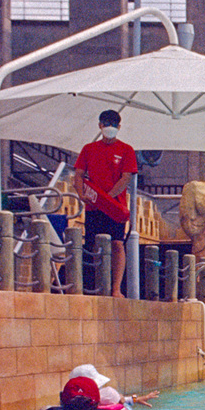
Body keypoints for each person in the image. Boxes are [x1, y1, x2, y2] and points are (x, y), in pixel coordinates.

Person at [73, 108, 138, 298]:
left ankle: (116, 288)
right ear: (100, 126)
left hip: (115, 208)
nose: (110, 128)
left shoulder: (126, 150)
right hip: (93, 206)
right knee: (94, 245)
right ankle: (97, 285)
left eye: (113, 125)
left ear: (119, 127)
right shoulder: (89, 149)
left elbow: (126, 178)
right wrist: (81, 193)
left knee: (117, 244)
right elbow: (78, 174)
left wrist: (107, 199)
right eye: (106, 124)